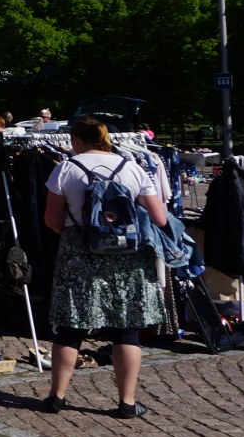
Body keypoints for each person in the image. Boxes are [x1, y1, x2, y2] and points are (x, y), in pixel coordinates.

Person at [41, 116, 169, 419]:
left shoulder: (66, 169)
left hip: (79, 253)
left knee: (71, 327)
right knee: (126, 328)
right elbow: (159, 218)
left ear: (75, 140)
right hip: (127, 257)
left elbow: (51, 220)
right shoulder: (132, 167)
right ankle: (127, 402)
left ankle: (56, 397)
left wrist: (78, 234)